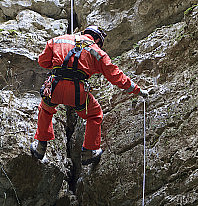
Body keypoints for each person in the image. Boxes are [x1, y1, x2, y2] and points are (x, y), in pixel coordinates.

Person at [30, 25, 148, 164]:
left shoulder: (58, 40)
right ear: (97, 39)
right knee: (94, 114)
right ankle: (88, 152)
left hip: (54, 86)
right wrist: (138, 90)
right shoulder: (98, 52)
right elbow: (116, 76)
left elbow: (43, 61)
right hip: (77, 91)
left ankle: (40, 147)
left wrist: (60, 66)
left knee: (46, 110)